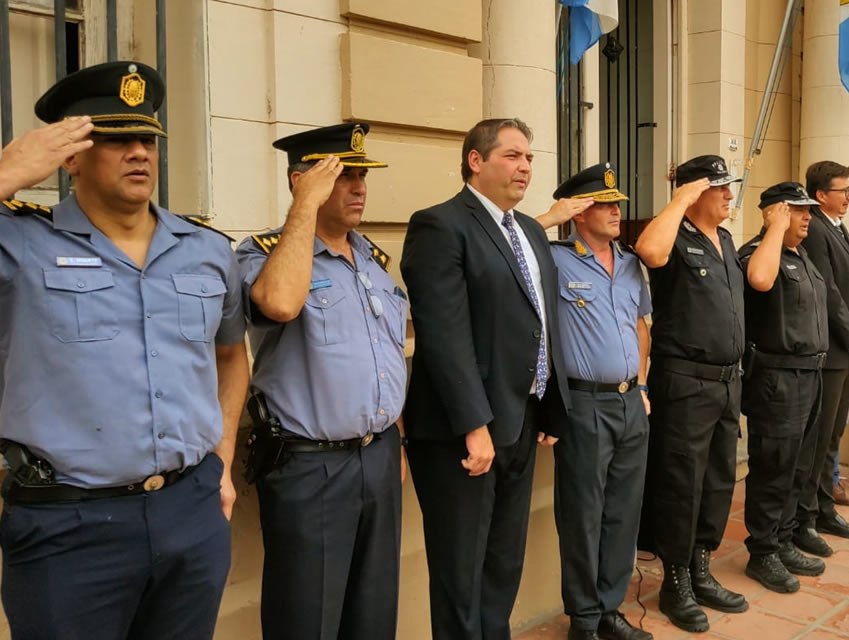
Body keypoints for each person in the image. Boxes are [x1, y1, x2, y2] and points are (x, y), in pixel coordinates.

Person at [0, 61, 249, 640]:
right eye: (115, 140)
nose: (139, 152)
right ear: (71, 157)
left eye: (147, 140)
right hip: (69, 526)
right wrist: (5, 171)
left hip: (191, 509)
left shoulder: (207, 250)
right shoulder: (18, 245)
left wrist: (223, 459)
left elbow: (231, 356)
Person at [400, 118, 571, 640]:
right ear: (476, 160)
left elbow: (542, 321)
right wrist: (475, 425)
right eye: (513, 156)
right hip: (464, 433)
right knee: (461, 571)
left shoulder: (531, 231)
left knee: (501, 565)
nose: (525, 167)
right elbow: (444, 336)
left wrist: (548, 406)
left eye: (530, 158)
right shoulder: (440, 225)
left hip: (521, 421)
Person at [236, 123, 406, 640]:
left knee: (373, 613)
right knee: (306, 617)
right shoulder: (264, 253)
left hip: (377, 456)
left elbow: (389, 355)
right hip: (310, 465)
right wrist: (303, 212)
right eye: (342, 176)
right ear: (300, 181)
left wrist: (393, 441)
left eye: (361, 176)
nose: (358, 187)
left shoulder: (373, 262)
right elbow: (281, 303)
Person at [539, 163, 654, 640]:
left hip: (631, 403)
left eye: (616, 204)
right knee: (583, 516)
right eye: (604, 205)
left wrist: (643, 386)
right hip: (583, 405)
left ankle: (609, 611)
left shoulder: (630, 262)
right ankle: (584, 620)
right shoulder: (553, 258)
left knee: (623, 513)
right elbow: (508, 248)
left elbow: (642, 328)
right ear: (580, 211)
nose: (615, 212)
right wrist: (550, 215)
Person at [635, 155, 747, 633]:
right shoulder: (673, 237)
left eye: (728, 186)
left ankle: (701, 567)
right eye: (717, 187)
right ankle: (675, 579)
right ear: (693, 192)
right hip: (685, 380)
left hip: (726, 380)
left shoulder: (724, 239)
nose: (728, 194)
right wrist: (679, 195)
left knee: (719, 478)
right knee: (681, 485)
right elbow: (648, 252)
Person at [738, 182, 833, 593]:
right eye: (797, 210)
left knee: (798, 464)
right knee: (773, 467)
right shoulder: (759, 254)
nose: (807, 216)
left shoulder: (803, 256)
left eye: (809, 209)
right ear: (775, 213)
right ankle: (762, 551)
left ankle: (783, 536)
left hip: (809, 375)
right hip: (777, 378)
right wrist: (773, 230)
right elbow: (759, 280)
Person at [799, 161, 849, 540]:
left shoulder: (838, 228)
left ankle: (825, 509)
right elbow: (827, 291)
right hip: (830, 351)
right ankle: (810, 515)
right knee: (821, 436)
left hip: (846, 347)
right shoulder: (814, 229)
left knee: (833, 435)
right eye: (844, 191)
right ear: (821, 195)